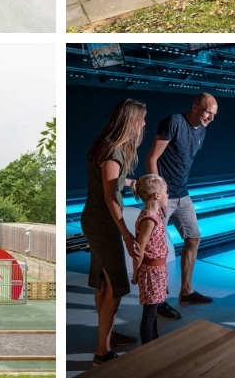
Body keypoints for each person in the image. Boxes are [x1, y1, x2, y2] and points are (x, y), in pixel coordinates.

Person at [80, 98, 147, 366]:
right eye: (141, 119)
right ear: (131, 121)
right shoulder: (113, 150)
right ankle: (101, 353)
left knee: (103, 282)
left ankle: (104, 336)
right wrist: (127, 235)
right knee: (116, 285)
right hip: (102, 223)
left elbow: (112, 182)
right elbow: (110, 198)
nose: (144, 124)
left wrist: (132, 182)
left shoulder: (105, 144)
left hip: (97, 220)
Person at [145, 92, 218, 319]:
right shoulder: (174, 122)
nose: (210, 118)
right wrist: (158, 194)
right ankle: (158, 301)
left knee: (193, 238)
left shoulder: (202, 131)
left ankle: (186, 291)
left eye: (214, 114)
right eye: (208, 112)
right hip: (164, 195)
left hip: (182, 195)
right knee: (157, 250)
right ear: (195, 107)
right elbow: (151, 158)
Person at [131, 174, 169, 345]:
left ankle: (154, 340)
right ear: (157, 195)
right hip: (151, 272)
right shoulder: (149, 220)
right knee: (150, 313)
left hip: (159, 270)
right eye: (166, 193)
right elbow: (140, 250)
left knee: (153, 311)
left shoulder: (156, 213)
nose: (168, 196)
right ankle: (147, 347)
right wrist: (136, 271)